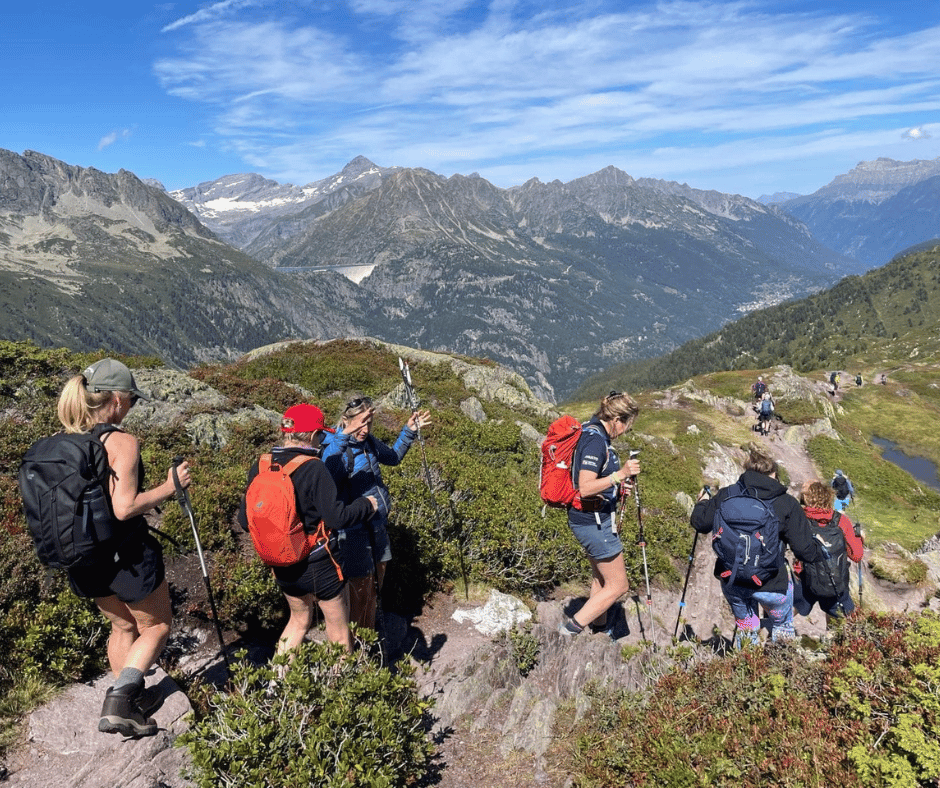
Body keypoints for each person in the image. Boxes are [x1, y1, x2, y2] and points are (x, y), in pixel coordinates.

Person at [52, 358, 191, 737]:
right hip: (124, 556)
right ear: (115, 399)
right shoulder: (121, 441)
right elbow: (125, 507)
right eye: (131, 398)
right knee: (156, 625)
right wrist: (170, 486)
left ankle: (127, 699)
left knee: (122, 624)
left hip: (81, 557)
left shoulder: (64, 443)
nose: (131, 406)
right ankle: (120, 701)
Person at [237, 404, 377, 656]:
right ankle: (341, 688)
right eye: (321, 435)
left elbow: (244, 521)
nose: (321, 441)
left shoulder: (261, 464)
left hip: (280, 562)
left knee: (299, 621)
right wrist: (366, 505)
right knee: (338, 627)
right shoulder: (314, 468)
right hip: (319, 562)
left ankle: (277, 686)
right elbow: (337, 517)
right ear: (313, 435)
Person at [690, 446, 824, 648]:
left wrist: (703, 502)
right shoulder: (786, 503)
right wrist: (820, 553)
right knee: (782, 624)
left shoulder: (727, 494)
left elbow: (700, 523)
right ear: (773, 475)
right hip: (773, 582)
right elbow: (804, 550)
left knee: (746, 627)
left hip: (733, 579)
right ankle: (780, 666)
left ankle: (746, 668)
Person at [321, 396, 431, 632]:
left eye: (369, 423)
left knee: (374, 589)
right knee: (360, 593)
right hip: (353, 534)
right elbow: (327, 474)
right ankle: (357, 646)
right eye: (360, 423)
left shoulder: (368, 442)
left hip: (377, 526)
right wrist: (344, 436)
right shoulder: (335, 448)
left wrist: (408, 431)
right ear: (346, 420)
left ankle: (367, 639)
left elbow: (392, 457)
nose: (365, 429)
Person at [558, 391, 641, 638]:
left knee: (601, 580)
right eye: (626, 424)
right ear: (616, 419)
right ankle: (569, 630)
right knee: (618, 585)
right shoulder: (595, 442)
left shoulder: (590, 431)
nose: (625, 430)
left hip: (588, 519)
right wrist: (620, 475)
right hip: (594, 523)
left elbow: (596, 481)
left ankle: (600, 628)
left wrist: (616, 486)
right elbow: (585, 487)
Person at [793, 481, 863, 621]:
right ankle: (841, 638)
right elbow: (857, 555)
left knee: (787, 612)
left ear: (806, 499)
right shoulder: (841, 521)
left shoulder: (798, 519)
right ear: (829, 497)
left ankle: (777, 632)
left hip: (805, 579)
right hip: (835, 583)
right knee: (847, 619)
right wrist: (860, 539)